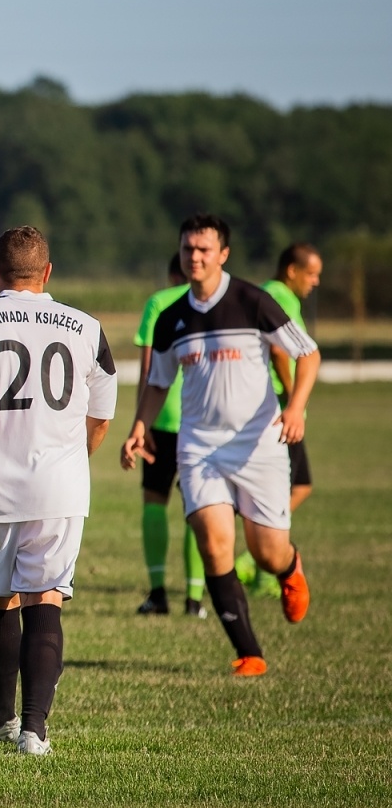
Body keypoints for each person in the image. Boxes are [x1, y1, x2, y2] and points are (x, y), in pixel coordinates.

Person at [0, 226, 116, 756]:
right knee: (46, 596)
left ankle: (2, 717)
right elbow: (101, 417)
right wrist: (72, 461)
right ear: (47, 273)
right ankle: (34, 731)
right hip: (59, 484)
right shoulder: (88, 328)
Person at [122, 214, 319, 677]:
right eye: (188, 249)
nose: (194, 257)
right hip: (200, 449)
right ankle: (249, 652)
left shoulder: (253, 301)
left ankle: (289, 567)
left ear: (223, 254)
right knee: (214, 545)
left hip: (259, 446)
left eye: (204, 249)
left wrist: (295, 407)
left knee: (267, 551)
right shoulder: (171, 318)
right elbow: (158, 381)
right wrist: (139, 426)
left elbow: (307, 353)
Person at [237, 243, 325, 597]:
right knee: (290, 488)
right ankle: (255, 560)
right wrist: (292, 399)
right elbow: (278, 348)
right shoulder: (278, 295)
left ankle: (258, 559)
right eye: (311, 274)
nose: (315, 281)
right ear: (292, 270)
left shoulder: (272, 293)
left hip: (272, 407)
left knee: (297, 486)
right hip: (275, 407)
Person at [132, 255, 206, 617]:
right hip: (200, 420)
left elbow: (149, 369)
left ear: (171, 273)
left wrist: (140, 422)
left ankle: (158, 594)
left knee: (154, 500)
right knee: (198, 507)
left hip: (161, 418)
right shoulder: (208, 302)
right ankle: (195, 599)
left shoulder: (159, 302)